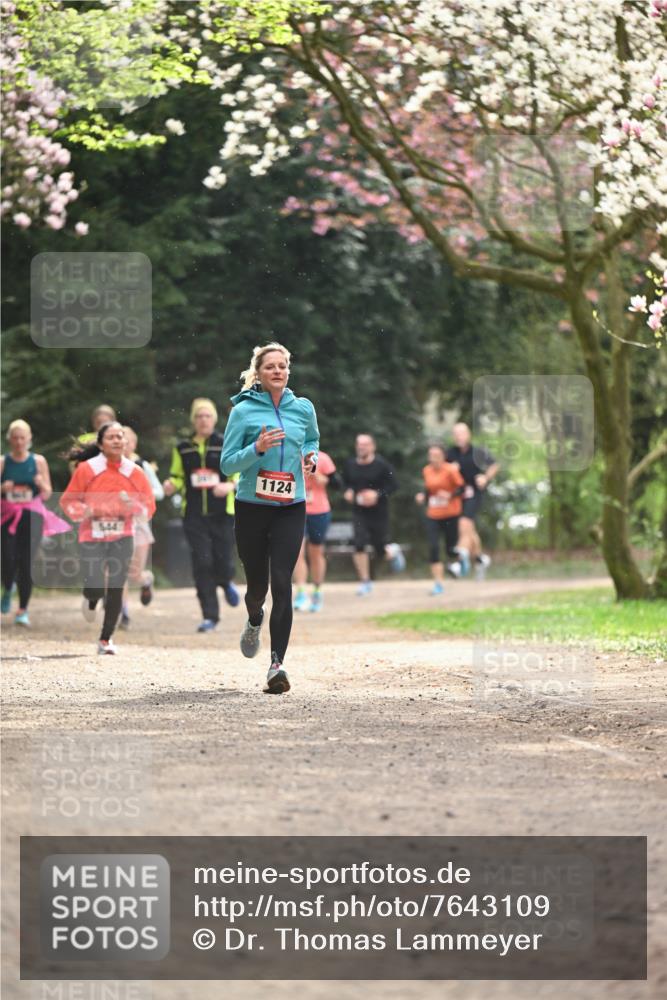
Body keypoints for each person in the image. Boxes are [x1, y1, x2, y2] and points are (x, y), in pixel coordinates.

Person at [221, 342, 319, 694]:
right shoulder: (243, 411)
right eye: (270, 367)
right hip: (252, 506)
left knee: (282, 582)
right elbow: (227, 464)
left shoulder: (303, 408)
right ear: (258, 373)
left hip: (291, 506)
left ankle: (277, 665)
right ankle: (253, 619)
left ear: (288, 370)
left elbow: (312, 440)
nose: (277, 371)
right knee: (257, 588)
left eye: (282, 366)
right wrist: (257, 449)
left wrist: (311, 457)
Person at [61, 422, 155, 654]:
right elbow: (68, 501)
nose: (117, 440)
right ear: (101, 444)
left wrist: (132, 506)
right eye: (111, 437)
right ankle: (92, 597)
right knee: (94, 585)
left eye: (120, 436)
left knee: (116, 585)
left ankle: (105, 639)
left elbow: (148, 507)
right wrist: (83, 511)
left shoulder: (135, 472)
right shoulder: (87, 469)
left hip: (123, 534)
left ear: (126, 442)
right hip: (91, 534)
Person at [163, 398, 239, 633]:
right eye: (199, 416)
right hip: (194, 514)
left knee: (223, 559)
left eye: (207, 416)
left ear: (214, 419)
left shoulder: (225, 443)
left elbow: (238, 473)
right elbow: (177, 475)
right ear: (193, 420)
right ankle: (210, 616)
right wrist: (171, 484)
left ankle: (225, 581)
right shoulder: (183, 447)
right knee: (202, 563)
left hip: (222, 512)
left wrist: (230, 486)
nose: (203, 420)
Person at [1, 420, 68, 625]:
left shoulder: (38, 461)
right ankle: (8, 587)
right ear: (10, 439)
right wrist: (3, 488)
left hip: (32, 514)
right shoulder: (3, 462)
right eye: (15, 438)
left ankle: (23, 610)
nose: (19, 442)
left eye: (23, 438)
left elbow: (47, 493)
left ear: (29, 439)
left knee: (26, 561)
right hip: (7, 515)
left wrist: (41, 484)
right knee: (7, 558)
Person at [342, 433, 405, 596]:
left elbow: (394, 486)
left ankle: (392, 551)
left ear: (372, 447)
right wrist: (348, 491)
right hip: (359, 511)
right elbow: (345, 483)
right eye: (359, 444)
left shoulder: (382, 465)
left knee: (379, 548)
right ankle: (365, 581)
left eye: (365, 444)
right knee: (359, 543)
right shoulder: (350, 464)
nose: (361, 447)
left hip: (379, 512)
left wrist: (377, 494)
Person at [118, 426, 164, 629]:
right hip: (116, 524)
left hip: (139, 524)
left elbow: (159, 492)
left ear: (134, 445)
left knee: (134, 574)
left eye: (126, 441)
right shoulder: (110, 467)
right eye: (119, 440)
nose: (122, 444)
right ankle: (123, 613)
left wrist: (139, 496)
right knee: (118, 570)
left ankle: (146, 580)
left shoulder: (141, 466)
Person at [446, 422, 499, 580]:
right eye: (456, 434)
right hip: (458, 495)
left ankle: (459, 563)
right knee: (469, 529)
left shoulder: (478, 451)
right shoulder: (450, 454)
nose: (459, 437)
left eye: (461, 433)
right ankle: (480, 559)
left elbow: (494, 465)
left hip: (474, 493)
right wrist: (450, 470)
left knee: (464, 524)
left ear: (468, 435)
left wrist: (485, 478)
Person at [293, 449, 339, 613]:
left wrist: (314, 472)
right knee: (297, 552)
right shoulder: (289, 455)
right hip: (296, 509)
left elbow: (335, 483)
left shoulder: (323, 458)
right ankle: (300, 592)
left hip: (319, 511)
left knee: (316, 552)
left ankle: (317, 590)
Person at [415, 444, 465, 595]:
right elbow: (429, 490)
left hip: (451, 513)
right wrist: (423, 496)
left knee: (450, 549)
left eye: (436, 455)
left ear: (443, 456)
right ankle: (438, 583)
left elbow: (462, 489)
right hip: (433, 514)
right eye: (431, 455)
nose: (433, 458)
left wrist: (450, 495)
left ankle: (460, 559)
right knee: (433, 547)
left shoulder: (451, 470)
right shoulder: (426, 470)